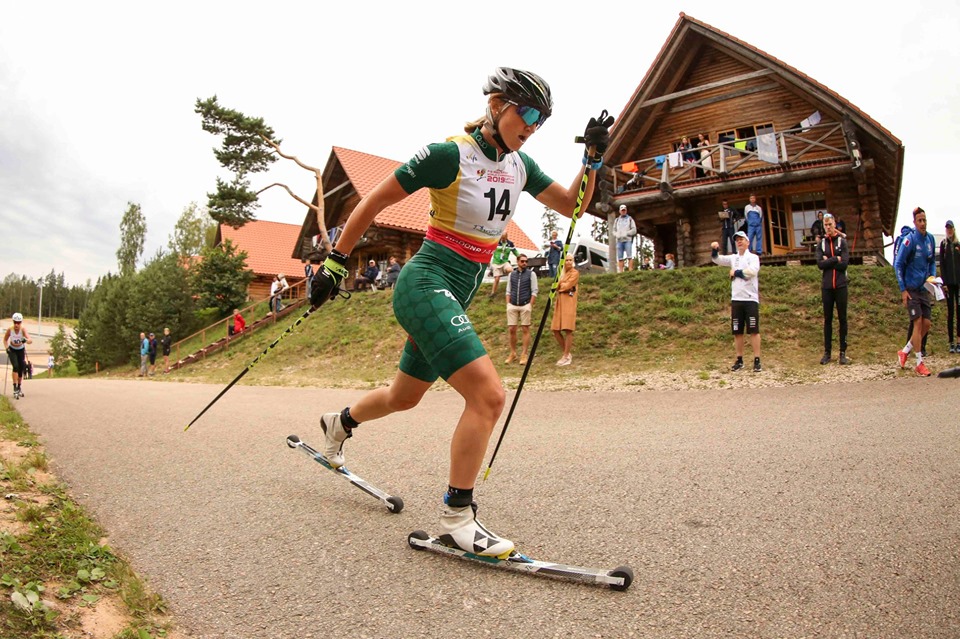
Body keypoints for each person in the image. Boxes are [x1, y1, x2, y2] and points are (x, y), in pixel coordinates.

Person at [306, 67, 612, 557]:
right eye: (527, 112)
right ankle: (457, 517)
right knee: (489, 396)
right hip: (425, 282)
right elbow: (372, 201)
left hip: (456, 290)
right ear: (497, 105)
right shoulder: (450, 154)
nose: (532, 125)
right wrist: (336, 262)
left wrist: (592, 159)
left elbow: (574, 203)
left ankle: (338, 423)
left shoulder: (520, 165)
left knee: (404, 396)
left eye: (542, 118)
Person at [894, 207, 937, 376]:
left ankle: (904, 351)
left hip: (923, 288)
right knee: (917, 323)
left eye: (924, 220)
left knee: (927, 324)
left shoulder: (930, 239)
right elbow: (898, 264)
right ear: (914, 222)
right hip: (911, 288)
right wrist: (903, 289)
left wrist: (932, 276)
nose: (923, 223)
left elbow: (932, 260)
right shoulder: (909, 240)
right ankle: (919, 363)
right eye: (919, 220)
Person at [711, 231, 762, 372]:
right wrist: (714, 250)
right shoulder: (733, 258)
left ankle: (757, 359)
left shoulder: (753, 257)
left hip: (750, 299)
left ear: (747, 242)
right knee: (737, 331)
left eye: (742, 239)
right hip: (736, 300)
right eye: (737, 240)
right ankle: (739, 359)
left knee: (754, 330)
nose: (739, 242)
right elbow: (718, 260)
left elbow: (752, 271)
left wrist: (736, 273)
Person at [816, 214, 851, 365]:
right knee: (827, 320)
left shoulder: (842, 242)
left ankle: (843, 352)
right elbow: (819, 264)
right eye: (826, 225)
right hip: (827, 287)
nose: (828, 227)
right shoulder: (821, 244)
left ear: (834, 224)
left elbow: (844, 264)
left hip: (841, 285)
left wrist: (828, 260)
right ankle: (827, 352)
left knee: (842, 318)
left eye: (830, 224)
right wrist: (835, 259)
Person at [505, 254, 538, 365]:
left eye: (526, 261)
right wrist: (508, 303)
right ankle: (513, 353)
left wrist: (530, 305)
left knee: (525, 329)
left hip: (525, 304)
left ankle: (524, 354)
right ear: (518, 261)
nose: (524, 263)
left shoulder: (531, 274)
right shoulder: (512, 275)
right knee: (511, 329)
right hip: (513, 304)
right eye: (522, 261)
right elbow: (508, 290)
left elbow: (534, 290)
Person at [551, 254, 579, 366]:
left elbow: (565, 286)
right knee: (555, 329)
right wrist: (561, 285)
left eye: (570, 260)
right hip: (560, 302)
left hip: (569, 302)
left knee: (568, 329)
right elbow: (555, 286)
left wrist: (561, 285)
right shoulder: (561, 273)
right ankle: (566, 353)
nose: (568, 262)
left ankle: (566, 356)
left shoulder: (575, 273)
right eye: (566, 260)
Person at [939, 220, 960, 353]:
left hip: (958, 283)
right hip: (949, 284)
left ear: (954, 229)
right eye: (947, 228)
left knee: (959, 313)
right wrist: (944, 283)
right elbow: (941, 264)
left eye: (951, 228)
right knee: (950, 312)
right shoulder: (943, 245)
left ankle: (959, 341)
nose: (949, 230)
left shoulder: (958, 244)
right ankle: (951, 342)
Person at [4, 314, 32, 398]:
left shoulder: (23, 330)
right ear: (13, 322)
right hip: (12, 350)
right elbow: (5, 340)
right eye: (15, 322)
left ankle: (19, 387)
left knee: (21, 369)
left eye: (18, 323)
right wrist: (7, 348)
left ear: (21, 323)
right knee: (15, 367)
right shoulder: (10, 330)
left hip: (20, 350)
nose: (16, 325)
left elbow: (30, 340)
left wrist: (26, 340)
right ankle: (15, 387)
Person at [613, 205, 638, 272]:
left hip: (628, 240)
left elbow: (634, 230)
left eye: (624, 210)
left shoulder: (630, 219)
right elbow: (613, 230)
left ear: (626, 211)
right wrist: (616, 234)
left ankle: (630, 270)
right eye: (622, 210)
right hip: (619, 240)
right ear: (619, 211)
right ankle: (621, 271)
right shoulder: (617, 220)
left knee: (629, 256)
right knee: (620, 257)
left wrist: (627, 233)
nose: (623, 211)